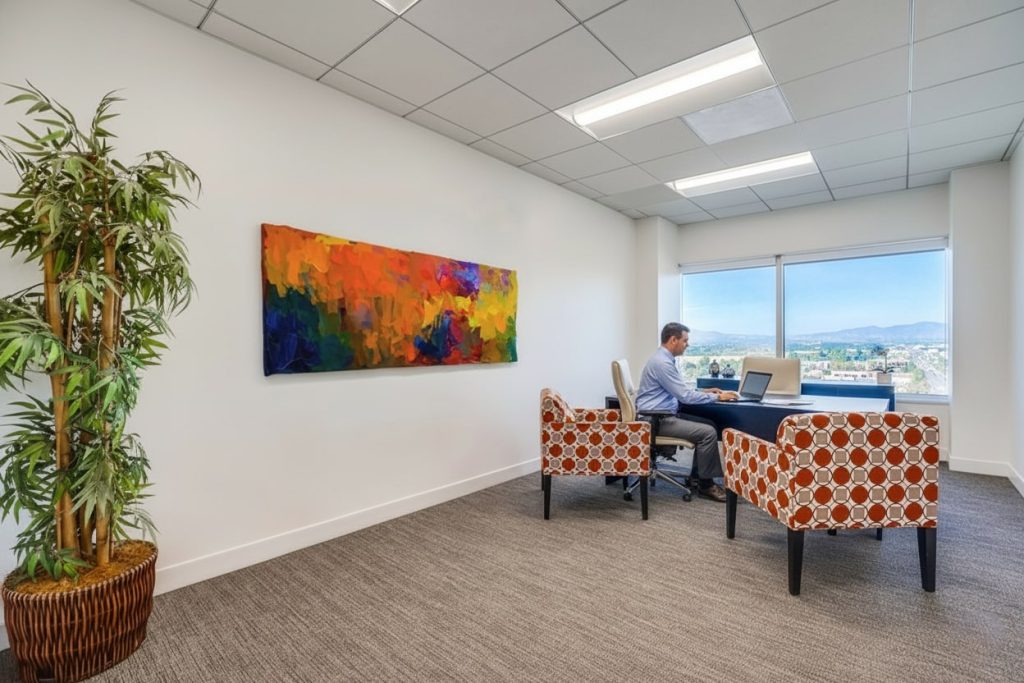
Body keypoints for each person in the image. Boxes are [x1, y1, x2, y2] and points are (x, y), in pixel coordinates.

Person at [636, 322, 738, 503]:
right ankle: (707, 486)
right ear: (673, 340)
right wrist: (718, 398)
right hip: (655, 421)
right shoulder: (662, 363)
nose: (687, 344)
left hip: (660, 415)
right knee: (708, 433)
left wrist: (704, 393)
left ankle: (697, 477)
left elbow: (679, 390)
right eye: (685, 340)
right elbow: (685, 397)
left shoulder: (663, 359)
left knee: (709, 424)